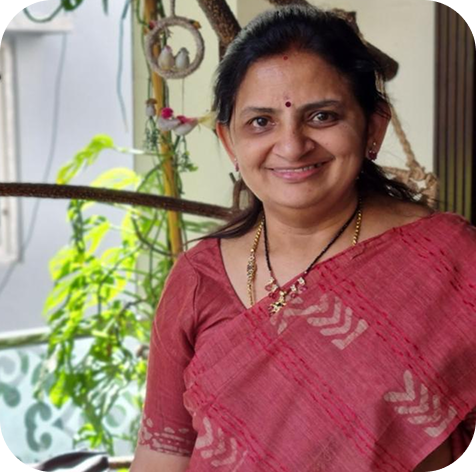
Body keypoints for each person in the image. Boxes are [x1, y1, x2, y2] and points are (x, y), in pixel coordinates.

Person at [130, 5, 476, 472]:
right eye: (261, 122)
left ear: (373, 128)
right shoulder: (197, 279)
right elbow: (162, 454)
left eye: (322, 116)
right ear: (230, 142)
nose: (292, 146)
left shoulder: (452, 262)